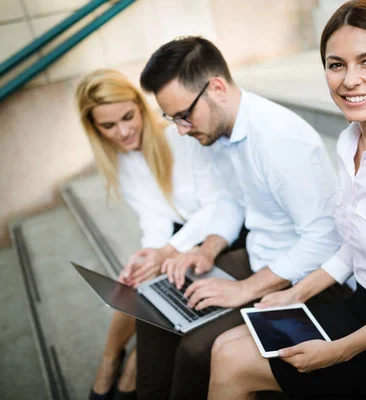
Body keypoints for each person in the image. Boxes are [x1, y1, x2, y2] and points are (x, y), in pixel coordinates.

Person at [207, 1, 366, 399]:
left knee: (233, 363)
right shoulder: (351, 140)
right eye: (336, 64)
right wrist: (296, 293)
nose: (350, 80)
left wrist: (337, 353)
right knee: (224, 345)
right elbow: (352, 248)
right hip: (363, 304)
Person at [135, 36, 343, 400]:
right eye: (172, 119)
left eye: (184, 115)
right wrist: (208, 249)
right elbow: (232, 201)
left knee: (197, 349)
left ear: (216, 88)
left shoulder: (279, 140)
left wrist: (245, 289)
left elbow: (324, 239)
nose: (181, 129)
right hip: (261, 257)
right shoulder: (216, 130)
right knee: (152, 302)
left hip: (305, 279)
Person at [76, 69, 240, 400]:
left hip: (221, 231)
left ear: (140, 106)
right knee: (136, 278)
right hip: (181, 231)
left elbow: (215, 208)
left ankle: (125, 366)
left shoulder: (180, 138)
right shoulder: (120, 160)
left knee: (153, 289)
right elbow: (153, 216)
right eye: (108, 126)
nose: (122, 132)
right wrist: (150, 253)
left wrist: (166, 252)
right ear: (94, 129)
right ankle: (113, 362)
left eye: (127, 117)